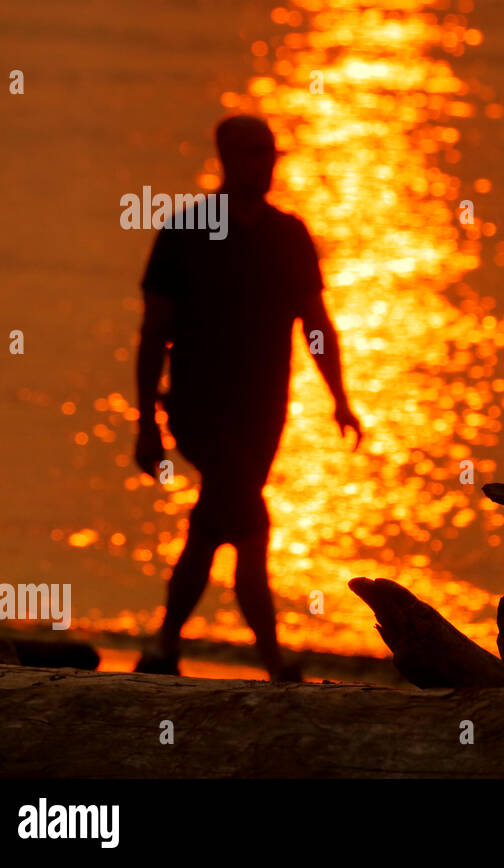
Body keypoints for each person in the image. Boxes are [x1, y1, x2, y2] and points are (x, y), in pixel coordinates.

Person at [132, 115, 361, 681]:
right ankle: (271, 661)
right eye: (252, 153)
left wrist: (340, 398)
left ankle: (163, 651)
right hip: (199, 410)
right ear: (225, 158)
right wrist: (145, 423)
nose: (264, 163)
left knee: (214, 524)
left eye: (270, 153)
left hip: (265, 415)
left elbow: (316, 324)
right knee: (249, 525)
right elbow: (153, 332)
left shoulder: (288, 235)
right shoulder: (185, 233)